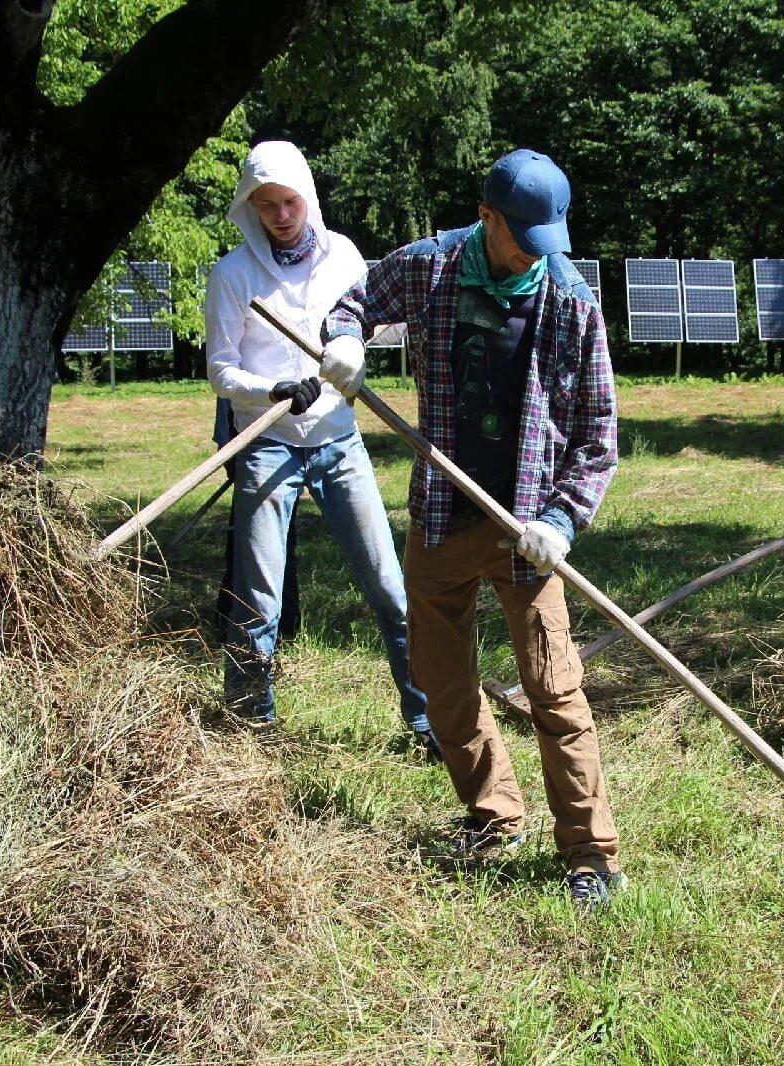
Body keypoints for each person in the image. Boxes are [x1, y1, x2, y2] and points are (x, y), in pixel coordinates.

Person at [320, 148, 625, 907]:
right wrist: (347, 344)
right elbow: (354, 302)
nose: (534, 251)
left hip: (528, 528)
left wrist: (561, 517)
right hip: (440, 513)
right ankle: (494, 817)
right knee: (441, 681)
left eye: (545, 235)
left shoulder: (570, 300)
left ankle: (590, 856)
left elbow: (598, 434)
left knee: (554, 689)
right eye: (520, 234)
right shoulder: (429, 268)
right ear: (485, 216)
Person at [205, 140, 434, 757]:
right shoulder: (233, 275)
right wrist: (272, 388)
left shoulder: (345, 258)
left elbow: (370, 318)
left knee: (390, 588)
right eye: (266, 204)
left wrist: (354, 349)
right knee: (258, 597)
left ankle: (427, 720)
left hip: (338, 439)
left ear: (307, 194)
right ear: (249, 207)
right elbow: (221, 371)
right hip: (268, 443)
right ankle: (250, 727)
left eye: (289, 200)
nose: (280, 214)